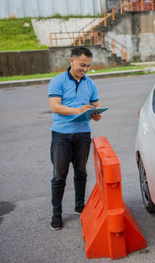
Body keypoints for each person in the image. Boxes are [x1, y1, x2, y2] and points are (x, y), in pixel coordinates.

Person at [47, 46, 102, 230]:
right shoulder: (57, 81)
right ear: (72, 61)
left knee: (81, 171)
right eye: (82, 65)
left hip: (82, 134)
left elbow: (95, 104)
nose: (85, 69)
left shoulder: (90, 84)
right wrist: (78, 110)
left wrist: (95, 113)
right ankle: (57, 214)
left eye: (88, 66)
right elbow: (55, 106)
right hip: (61, 134)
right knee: (59, 176)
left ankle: (80, 206)